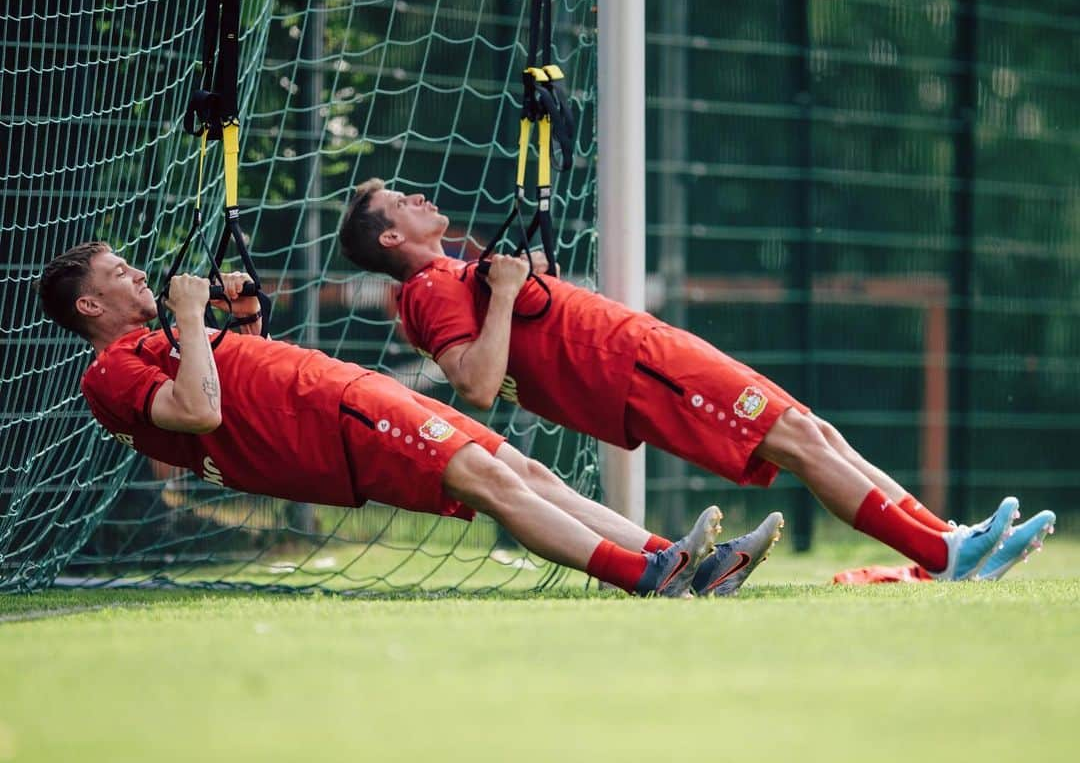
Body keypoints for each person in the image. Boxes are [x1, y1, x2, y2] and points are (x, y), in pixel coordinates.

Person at [337, 179, 1057, 583]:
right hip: (636, 370)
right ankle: (944, 556)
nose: (419, 196)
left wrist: (510, 288)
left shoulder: (452, 273)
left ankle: (947, 539)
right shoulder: (429, 288)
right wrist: (503, 293)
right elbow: (477, 386)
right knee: (799, 441)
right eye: (400, 202)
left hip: (643, 353)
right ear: (392, 239)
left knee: (811, 430)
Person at [34, 241, 794, 598]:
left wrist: (238, 323)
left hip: (339, 397)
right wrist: (197, 319)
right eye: (120, 276)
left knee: (523, 470)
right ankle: (649, 576)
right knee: (492, 484)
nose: (139, 275)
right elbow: (200, 413)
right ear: (89, 307)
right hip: (331, 421)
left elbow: (231, 388)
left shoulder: (153, 341)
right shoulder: (108, 369)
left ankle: (684, 562)